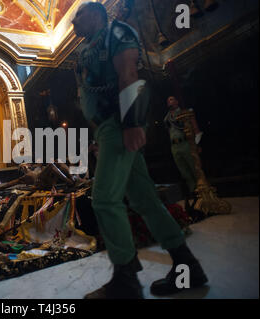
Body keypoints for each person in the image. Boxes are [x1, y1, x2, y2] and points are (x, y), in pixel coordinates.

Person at [72, 2, 207, 298]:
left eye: (77, 15)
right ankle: (188, 266)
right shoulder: (85, 49)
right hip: (107, 128)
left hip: (121, 122)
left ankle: (126, 281)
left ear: (95, 13)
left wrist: (132, 123)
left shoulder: (116, 32)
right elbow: (90, 95)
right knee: (145, 200)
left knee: (105, 200)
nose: (72, 22)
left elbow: (128, 75)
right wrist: (98, 135)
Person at [164, 96, 203, 195]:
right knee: (184, 171)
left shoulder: (184, 113)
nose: (169, 102)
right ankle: (193, 192)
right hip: (175, 146)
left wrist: (197, 144)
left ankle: (202, 190)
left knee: (194, 168)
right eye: (168, 100)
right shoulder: (167, 117)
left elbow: (195, 127)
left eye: (171, 99)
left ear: (177, 102)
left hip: (185, 143)